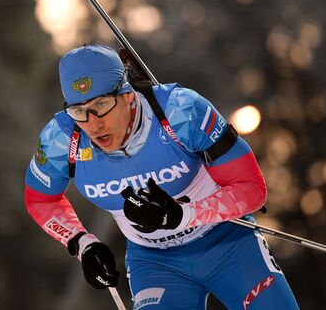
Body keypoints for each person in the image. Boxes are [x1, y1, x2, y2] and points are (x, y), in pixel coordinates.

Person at [24, 45, 299, 309]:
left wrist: (183, 214)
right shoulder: (60, 140)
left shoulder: (180, 110)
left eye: (102, 104)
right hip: (155, 263)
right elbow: (41, 200)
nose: (94, 123)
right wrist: (82, 243)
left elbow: (252, 189)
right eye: (79, 111)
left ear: (128, 94)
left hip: (226, 242)